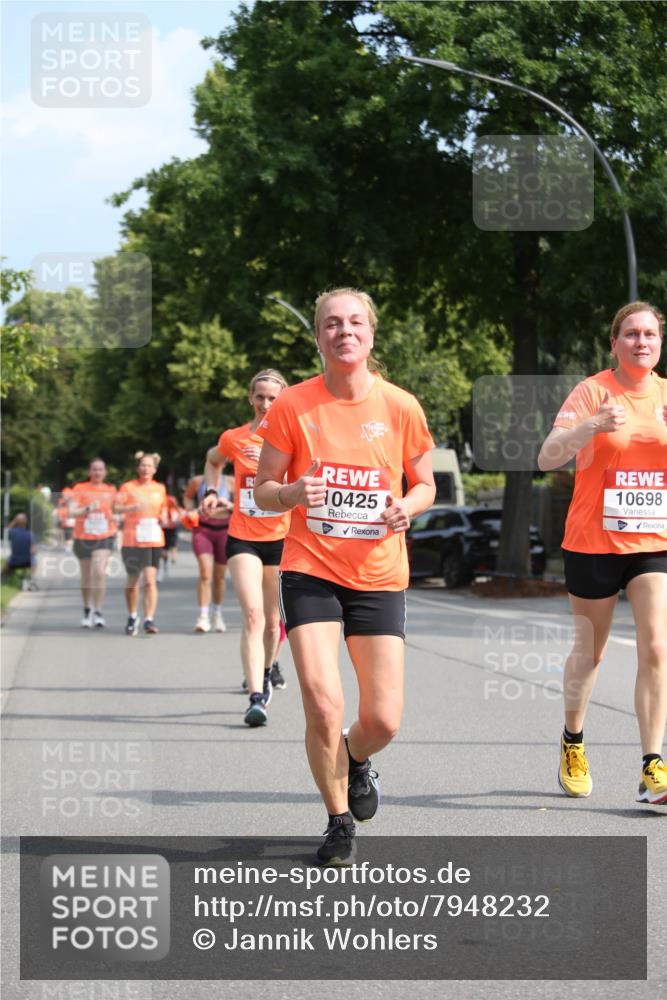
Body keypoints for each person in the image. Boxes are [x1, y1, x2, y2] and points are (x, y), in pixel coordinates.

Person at [254, 288, 435, 864]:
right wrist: (290, 492)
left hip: (379, 573)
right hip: (311, 568)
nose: (344, 332)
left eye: (355, 322)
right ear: (318, 337)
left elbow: (426, 482)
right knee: (323, 702)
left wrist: (410, 506)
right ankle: (337, 821)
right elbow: (263, 490)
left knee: (382, 718)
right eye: (332, 324)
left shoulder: (401, 406)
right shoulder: (293, 406)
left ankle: (356, 759)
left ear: (371, 334)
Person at [538, 301, 667, 806]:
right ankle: (573, 740)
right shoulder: (592, 391)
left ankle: (653, 764)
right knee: (591, 652)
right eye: (631, 334)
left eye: (650, 335)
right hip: (593, 541)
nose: (641, 342)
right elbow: (547, 457)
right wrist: (588, 426)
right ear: (614, 343)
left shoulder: (665, 397)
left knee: (657, 647)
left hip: (652, 542)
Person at [201, 369, 291, 725]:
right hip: (242, 536)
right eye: (260, 397)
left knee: (272, 622)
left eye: (273, 398)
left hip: (281, 539)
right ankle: (256, 697)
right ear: (250, 398)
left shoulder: (294, 438)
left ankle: (267, 670)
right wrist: (212, 492)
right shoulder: (234, 438)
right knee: (253, 615)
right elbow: (213, 460)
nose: (266, 404)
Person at [114, 452, 169, 636]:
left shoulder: (160, 489)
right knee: (133, 580)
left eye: (149, 466)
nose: (146, 469)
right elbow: (115, 507)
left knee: (150, 581)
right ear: (138, 468)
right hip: (131, 538)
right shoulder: (128, 487)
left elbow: (164, 510)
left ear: (155, 469)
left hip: (153, 538)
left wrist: (165, 517)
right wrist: (130, 508)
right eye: (143, 465)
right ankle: (132, 615)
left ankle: (149, 619)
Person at [68, 458, 117, 628]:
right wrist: (88, 508)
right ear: (89, 472)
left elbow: (117, 510)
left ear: (105, 472)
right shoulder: (80, 489)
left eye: (101, 469)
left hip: (104, 536)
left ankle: (98, 610)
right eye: (94, 469)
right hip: (83, 537)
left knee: (99, 572)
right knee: (86, 575)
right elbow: (72, 512)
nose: (97, 473)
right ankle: (87, 608)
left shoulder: (111, 490)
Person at [183, 471, 234, 633]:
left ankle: (217, 613)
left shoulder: (232, 481)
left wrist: (230, 505)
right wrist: (190, 510)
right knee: (205, 574)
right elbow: (188, 496)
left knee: (219, 576)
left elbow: (243, 503)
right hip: (202, 530)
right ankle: (203, 616)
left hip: (225, 530)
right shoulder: (197, 481)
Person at [2, 513, 36, 581]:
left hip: (13, 561)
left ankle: (3, 579)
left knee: (6, 562)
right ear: (26, 522)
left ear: (16, 522)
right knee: (35, 561)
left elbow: (7, 529)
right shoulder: (30, 534)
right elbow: (34, 551)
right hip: (27, 561)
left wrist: (14, 521)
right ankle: (31, 579)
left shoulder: (12, 532)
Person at [157, 493, 181, 582]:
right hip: (164, 530)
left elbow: (180, 518)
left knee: (173, 545)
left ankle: (173, 557)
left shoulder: (176, 510)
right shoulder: (163, 509)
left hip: (173, 530)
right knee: (164, 551)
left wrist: (176, 521)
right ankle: (164, 564)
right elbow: (159, 518)